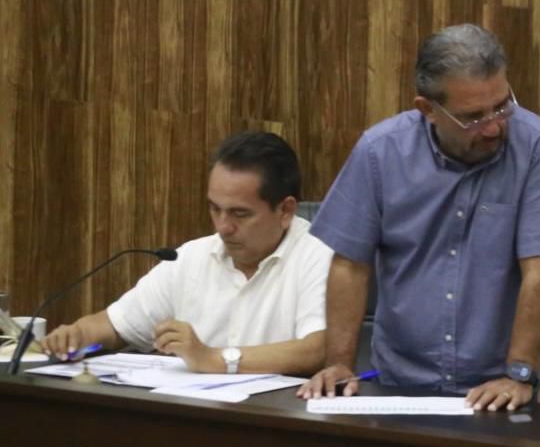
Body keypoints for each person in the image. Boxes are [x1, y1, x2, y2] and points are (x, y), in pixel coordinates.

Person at [299, 24, 540, 411]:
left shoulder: (537, 146)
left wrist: (520, 373)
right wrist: (338, 363)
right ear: (428, 110)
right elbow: (350, 265)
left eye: (502, 106)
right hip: (397, 382)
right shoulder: (380, 152)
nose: (494, 127)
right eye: (473, 117)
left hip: (497, 389)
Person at [42, 132, 333, 375]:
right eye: (214, 209)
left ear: (285, 210)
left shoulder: (320, 254)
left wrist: (212, 358)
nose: (223, 227)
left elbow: (318, 349)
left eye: (240, 214)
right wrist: (78, 335)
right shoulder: (192, 257)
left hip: (277, 427)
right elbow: (115, 325)